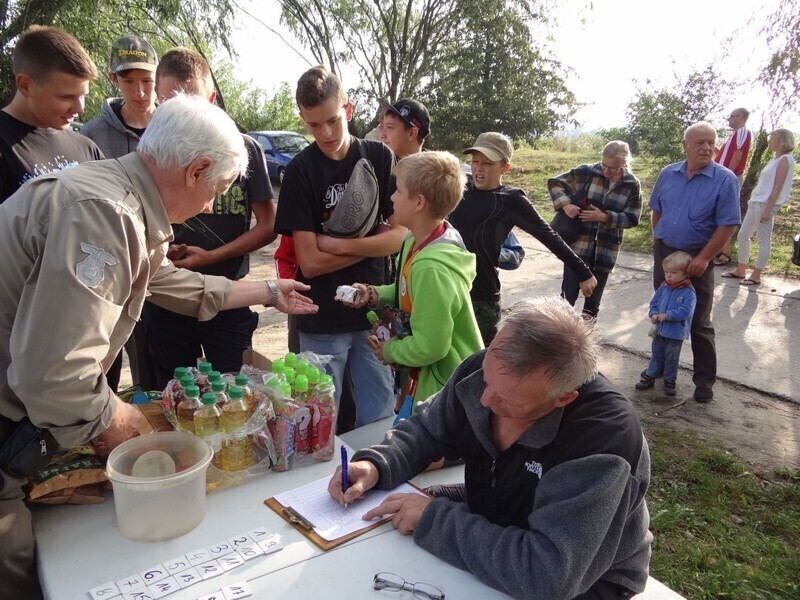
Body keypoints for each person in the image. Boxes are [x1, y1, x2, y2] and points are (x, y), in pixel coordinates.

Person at [0, 95, 317, 600]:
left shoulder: (117, 196)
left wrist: (270, 291)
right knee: (21, 574)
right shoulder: (105, 215)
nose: (213, 205)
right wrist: (116, 419)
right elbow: (56, 376)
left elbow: (169, 281)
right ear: (197, 170)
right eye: (219, 189)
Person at [328, 296, 652, 600]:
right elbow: (428, 428)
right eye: (487, 380)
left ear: (563, 398)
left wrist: (435, 520)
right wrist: (375, 464)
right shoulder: (486, 372)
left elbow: (549, 576)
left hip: (586, 583)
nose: (484, 401)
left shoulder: (601, 442)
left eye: (507, 401)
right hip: (498, 514)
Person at [274, 66, 407, 428]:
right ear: (303, 118)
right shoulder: (300, 171)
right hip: (321, 318)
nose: (326, 133)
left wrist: (334, 242)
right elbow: (310, 263)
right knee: (318, 424)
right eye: (314, 125)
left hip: (373, 313)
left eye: (333, 120)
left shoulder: (380, 157)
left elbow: (400, 237)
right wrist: (372, 244)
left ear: (348, 110)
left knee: (380, 416)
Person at [142, 47, 277, 388]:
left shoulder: (241, 149)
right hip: (167, 298)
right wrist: (160, 250)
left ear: (211, 98)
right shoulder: (154, 152)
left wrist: (214, 256)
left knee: (232, 395)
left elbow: (268, 225)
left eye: (191, 101)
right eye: (169, 102)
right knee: (173, 395)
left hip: (228, 297)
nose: (181, 114)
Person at [344, 151, 483, 415]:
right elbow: (409, 292)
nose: (392, 197)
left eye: (398, 190)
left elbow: (430, 347)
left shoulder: (432, 269)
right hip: (423, 383)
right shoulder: (415, 240)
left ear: (419, 202)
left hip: (442, 392)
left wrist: (390, 351)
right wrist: (376, 294)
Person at [448, 132, 597, 344]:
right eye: (475, 161)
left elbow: (548, 235)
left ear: (504, 168)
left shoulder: (511, 200)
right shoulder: (460, 187)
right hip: (449, 286)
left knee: (478, 364)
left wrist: (582, 271)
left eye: (487, 163)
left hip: (481, 298)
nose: (478, 168)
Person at [81, 34, 160, 391]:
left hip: (159, 267)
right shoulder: (91, 136)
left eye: (147, 81)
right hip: (107, 267)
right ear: (114, 80)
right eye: (130, 81)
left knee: (153, 365)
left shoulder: (169, 129)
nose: (140, 92)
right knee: (101, 363)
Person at [649, 122, 740, 403]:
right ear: (685, 145)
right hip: (665, 255)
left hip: (697, 258)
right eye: (700, 142)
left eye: (711, 142)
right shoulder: (668, 173)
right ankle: (662, 371)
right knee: (663, 312)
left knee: (698, 320)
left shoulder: (725, 180)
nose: (706, 148)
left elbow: (728, 225)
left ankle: (704, 382)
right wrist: (658, 240)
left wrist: (704, 257)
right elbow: (657, 210)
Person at [1, 25, 103, 203]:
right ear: (25, 85)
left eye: (83, 96)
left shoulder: (87, 149)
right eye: (66, 97)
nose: (80, 109)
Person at [548, 140, 642, 320]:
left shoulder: (632, 184)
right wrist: (566, 205)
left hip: (606, 250)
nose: (606, 171)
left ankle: (585, 343)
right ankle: (559, 340)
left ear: (624, 164)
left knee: (592, 306)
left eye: (613, 168)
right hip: (578, 247)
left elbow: (633, 217)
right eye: (604, 165)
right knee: (566, 300)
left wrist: (606, 217)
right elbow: (555, 183)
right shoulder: (587, 172)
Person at [722, 128, 796, 286]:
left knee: (763, 240)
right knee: (743, 235)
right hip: (756, 201)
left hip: (766, 204)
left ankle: (756, 275)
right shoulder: (775, 159)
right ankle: (741, 270)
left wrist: (768, 210)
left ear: (782, 140)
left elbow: (777, 187)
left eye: (773, 138)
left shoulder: (785, 159)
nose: (769, 141)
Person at [635, 251, 697, 397]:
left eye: (674, 272)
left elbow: (686, 311)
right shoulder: (664, 287)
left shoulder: (689, 292)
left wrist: (667, 316)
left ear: (685, 273)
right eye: (666, 272)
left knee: (671, 356)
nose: (669, 275)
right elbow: (654, 302)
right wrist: (653, 314)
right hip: (659, 330)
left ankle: (670, 380)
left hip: (675, 333)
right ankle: (650, 376)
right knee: (656, 353)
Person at [713, 108, 753, 267]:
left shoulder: (742, 132)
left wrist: (726, 175)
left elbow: (737, 155)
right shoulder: (734, 135)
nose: (728, 119)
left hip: (730, 176)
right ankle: (719, 248)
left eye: (732, 116)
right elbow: (724, 155)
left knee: (725, 213)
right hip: (725, 176)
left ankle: (725, 252)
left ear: (741, 117)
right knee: (718, 212)